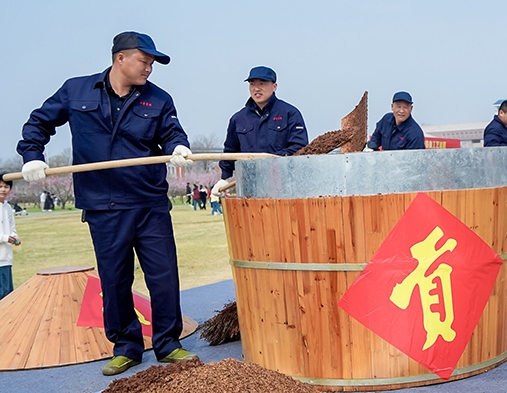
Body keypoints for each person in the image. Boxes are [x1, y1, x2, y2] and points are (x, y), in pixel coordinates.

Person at [16, 31, 197, 376]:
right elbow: (38, 123)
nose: (149, 69)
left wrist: (177, 147)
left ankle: (169, 344)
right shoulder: (76, 90)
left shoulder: (159, 99)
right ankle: (126, 346)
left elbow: (173, 132)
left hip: (149, 202)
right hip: (103, 204)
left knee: (163, 275)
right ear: (121, 59)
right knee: (114, 279)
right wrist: (32, 156)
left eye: (152, 64)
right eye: (145, 62)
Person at [212, 67, 308, 196]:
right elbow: (230, 151)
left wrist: (270, 163)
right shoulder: (238, 119)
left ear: (274, 86)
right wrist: (224, 179)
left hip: (284, 186)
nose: (256, 88)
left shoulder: (290, 113)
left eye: (262, 84)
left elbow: (299, 147)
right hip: (249, 187)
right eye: (252, 84)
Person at [0, 178, 21, 301]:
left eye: (6, 187)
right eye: (0, 186)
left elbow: (12, 228)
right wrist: (6, 238)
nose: (3, 189)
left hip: (6, 259)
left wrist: (15, 237)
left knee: (8, 293)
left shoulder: (7, 207)